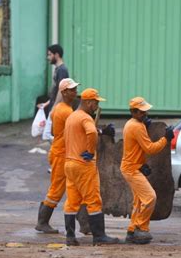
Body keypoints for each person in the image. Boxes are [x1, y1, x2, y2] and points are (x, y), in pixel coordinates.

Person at [62, 88, 119, 246]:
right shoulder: (86, 118)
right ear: (88, 102)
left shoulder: (72, 117)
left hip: (70, 164)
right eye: (95, 102)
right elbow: (92, 133)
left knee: (72, 201)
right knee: (93, 200)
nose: (96, 105)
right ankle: (99, 236)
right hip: (83, 165)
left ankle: (70, 236)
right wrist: (90, 151)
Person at [120, 97, 174, 244]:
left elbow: (136, 149)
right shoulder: (136, 126)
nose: (145, 114)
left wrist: (141, 164)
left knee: (138, 202)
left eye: (146, 111)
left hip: (132, 167)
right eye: (142, 112)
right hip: (131, 169)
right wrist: (166, 139)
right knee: (150, 197)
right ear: (134, 112)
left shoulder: (133, 123)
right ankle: (141, 228)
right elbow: (149, 148)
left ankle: (132, 231)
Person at [35, 78, 80, 234]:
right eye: (72, 89)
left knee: (76, 188)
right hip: (62, 154)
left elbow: (54, 131)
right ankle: (42, 221)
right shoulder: (66, 111)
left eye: (75, 89)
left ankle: (85, 224)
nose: (75, 92)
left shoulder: (58, 109)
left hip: (59, 151)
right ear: (64, 92)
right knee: (56, 190)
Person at [38, 44, 69, 114]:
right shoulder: (58, 69)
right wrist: (46, 104)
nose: (48, 57)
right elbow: (56, 91)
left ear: (56, 55)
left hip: (58, 109)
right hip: (55, 107)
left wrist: (54, 107)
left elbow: (61, 91)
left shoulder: (62, 70)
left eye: (50, 55)